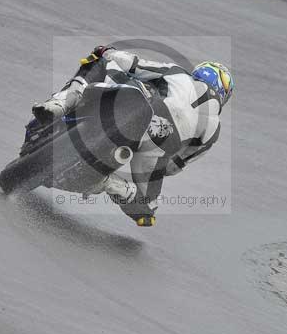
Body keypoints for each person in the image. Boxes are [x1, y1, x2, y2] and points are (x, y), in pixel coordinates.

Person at [32, 46, 233, 227]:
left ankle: (61, 103)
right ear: (223, 93)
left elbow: (132, 63)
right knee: (147, 213)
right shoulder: (214, 130)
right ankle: (112, 185)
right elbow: (174, 167)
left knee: (100, 59)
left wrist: (108, 52)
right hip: (160, 148)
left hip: (143, 110)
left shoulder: (179, 74)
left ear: (200, 72)